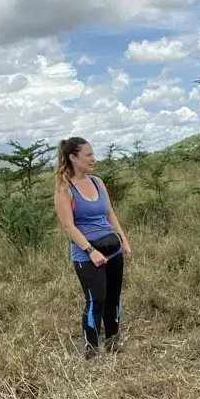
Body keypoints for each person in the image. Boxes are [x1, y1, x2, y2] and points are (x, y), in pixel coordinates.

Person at [54, 137, 132, 358]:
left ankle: (113, 340)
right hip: (87, 255)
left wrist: (124, 241)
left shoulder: (98, 182)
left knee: (113, 296)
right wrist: (90, 251)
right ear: (73, 157)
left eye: (92, 154)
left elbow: (110, 214)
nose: (93, 159)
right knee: (95, 299)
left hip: (112, 248)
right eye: (88, 155)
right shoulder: (64, 188)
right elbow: (68, 225)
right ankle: (91, 348)